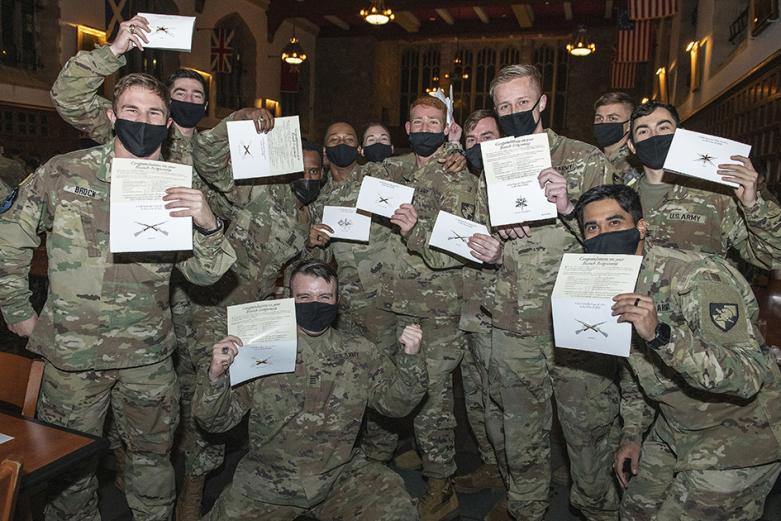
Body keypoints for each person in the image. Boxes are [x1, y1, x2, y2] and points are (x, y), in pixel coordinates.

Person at [0, 70, 236, 521]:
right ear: (112, 116)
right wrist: (16, 306)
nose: (142, 122)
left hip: (147, 356)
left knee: (153, 462)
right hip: (73, 356)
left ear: (169, 123)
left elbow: (205, 275)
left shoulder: (180, 184)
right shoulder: (65, 171)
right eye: (131, 110)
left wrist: (208, 224)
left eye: (154, 114)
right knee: (67, 468)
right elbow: (10, 236)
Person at [574, 183, 781, 521]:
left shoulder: (695, 276)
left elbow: (749, 375)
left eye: (614, 222)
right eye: (592, 227)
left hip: (741, 434)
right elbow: (636, 370)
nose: (603, 234)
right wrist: (632, 435)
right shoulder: (608, 284)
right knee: (633, 512)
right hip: (677, 426)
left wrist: (662, 336)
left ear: (641, 227)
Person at [464, 64, 616, 521]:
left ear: (542, 102)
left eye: (522, 103)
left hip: (578, 324)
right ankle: (526, 507)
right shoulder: (491, 167)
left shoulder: (585, 159)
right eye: (504, 106)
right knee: (521, 433)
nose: (513, 112)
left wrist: (568, 207)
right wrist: (491, 252)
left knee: (587, 433)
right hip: (513, 322)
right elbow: (483, 239)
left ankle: (596, 508)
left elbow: (616, 242)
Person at [193, 261, 427, 521]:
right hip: (267, 483)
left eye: (324, 297)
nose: (315, 305)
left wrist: (411, 359)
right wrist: (215, 376)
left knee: (398, 510)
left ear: (337, 301)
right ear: (289, 300)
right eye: (304, 297)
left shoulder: (360, 351)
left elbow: (396, 405)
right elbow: (215, 422)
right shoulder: (261, 351)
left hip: (338, 478)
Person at [624, 100, 781, 269]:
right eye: (643, 131)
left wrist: (753, 206)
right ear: (632, 146)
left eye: (663, 128)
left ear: (682, 136)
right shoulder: (619, 201)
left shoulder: (717, 197)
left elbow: (774, 257)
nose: (654, 136)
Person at [452, 109, 503, 495]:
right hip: (464, 308)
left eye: (488, 137)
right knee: (474, 397)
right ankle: (491, 464)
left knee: (500, 400)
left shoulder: (518, 186)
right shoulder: (463, 183)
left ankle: (513, 480)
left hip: (499, 312)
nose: (479, 145)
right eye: (472, 140)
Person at [592, 92, 641, 185]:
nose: (604, 123)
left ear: (629, 125)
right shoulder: (592, 161)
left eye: (612, 118)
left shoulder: (632, 167)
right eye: (599, 119)